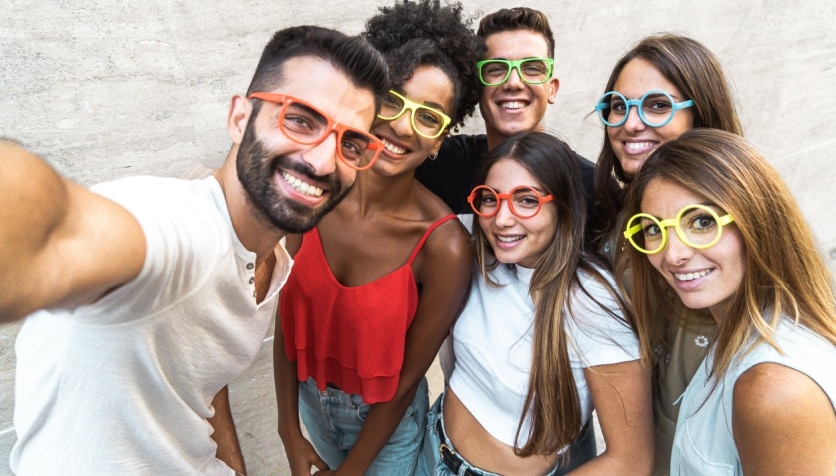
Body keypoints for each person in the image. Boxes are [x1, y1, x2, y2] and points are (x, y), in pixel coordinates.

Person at [0, 26, 389, 475]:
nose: (323, 161)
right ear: (240, 118)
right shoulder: (183, 227)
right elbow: (57, 231)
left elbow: (202, 383)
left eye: (350, 143)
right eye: (300, 120)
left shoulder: (272, 258)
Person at [273, 1, 481, 474]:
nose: (404, 126)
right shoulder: (314, 189)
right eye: (393, 99)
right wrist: (288, 428)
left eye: (428, 117)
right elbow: (289, 321)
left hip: (385, 431)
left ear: (440, 141)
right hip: (309, 404)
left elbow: (406, 380)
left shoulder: (444, 246)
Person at [417, 131, 654, 475]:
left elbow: (632, 461)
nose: (501, 219)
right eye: (490, 199)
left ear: (563, 205)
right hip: (432, 447)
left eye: (526, 200)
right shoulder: (477, 255)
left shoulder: (592, 302)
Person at [622, 129, 836, 474]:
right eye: (653, 228)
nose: (672, 254)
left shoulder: (772, 388)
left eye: (702, 222)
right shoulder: (739, 337)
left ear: (758, 220)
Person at [587, 33, 743, 474]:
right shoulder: (617, 216)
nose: (631, 123)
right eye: (618, 106)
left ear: (701, 112)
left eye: (657, 105)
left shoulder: (740, 223)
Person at [415, 7, 596, 216]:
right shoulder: (438, 165)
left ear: (552, 89)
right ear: (476, 88)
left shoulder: (591, 188)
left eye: (532, 68)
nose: (514, 83)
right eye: (496, 69)